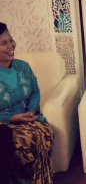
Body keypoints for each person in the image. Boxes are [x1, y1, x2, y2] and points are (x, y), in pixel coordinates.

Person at [0, 22, 53, 184]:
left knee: (44, 132)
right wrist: (12, 119)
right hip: (4, 124)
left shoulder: (23, 67)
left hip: (29, 117)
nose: (11, 45)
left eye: (11, 40)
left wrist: (32, 110)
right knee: (24, 142)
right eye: (4, 43)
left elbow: (35, 92)